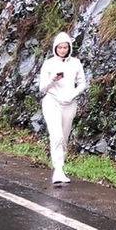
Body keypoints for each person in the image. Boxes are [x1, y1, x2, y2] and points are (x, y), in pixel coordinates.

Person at [37, 31, 86, 187]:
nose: (63, 50)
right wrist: (53, 80)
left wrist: (73, 94)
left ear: (69, 48)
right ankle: (57, 170)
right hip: (52, 102)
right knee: (56, 135)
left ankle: (61, 167)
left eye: (65, 47)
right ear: (55, 48)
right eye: (60, 47)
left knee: (64, 138)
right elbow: (42, 88)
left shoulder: (76, 63)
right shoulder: (49, 64)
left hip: (69, 103)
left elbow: (82, 83)